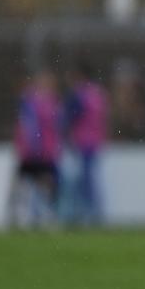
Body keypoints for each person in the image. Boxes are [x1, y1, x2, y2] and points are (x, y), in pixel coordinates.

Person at [10, 69, 62, 228]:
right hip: (32, 151)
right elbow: (25, 127)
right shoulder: (30, 102)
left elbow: (56, 127)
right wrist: (23, 145)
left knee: (45, 184)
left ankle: (44, 215)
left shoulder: (51, 102)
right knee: (24, 184)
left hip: (46, 151)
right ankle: (21, 215)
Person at [64, 62, 109, 226]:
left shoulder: (80, 95)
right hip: (96, 141)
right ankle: (93, 211)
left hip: (82, 141)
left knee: (83, 178)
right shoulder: (98, 93)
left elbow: (69, 117)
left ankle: (85, 212)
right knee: (89, 177)